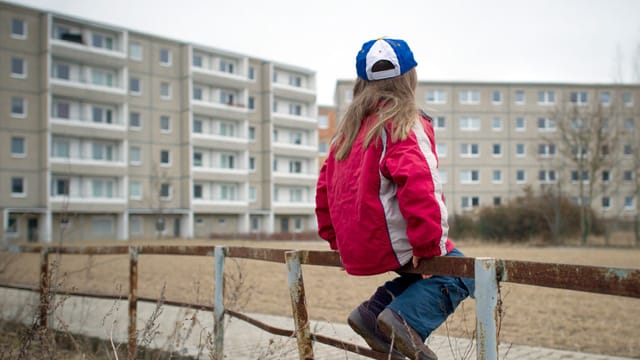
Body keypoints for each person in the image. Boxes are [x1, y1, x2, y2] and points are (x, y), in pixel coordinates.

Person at [315, 37, 475, 360]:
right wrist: (429, 247)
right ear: (409, 78)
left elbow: (323, 191)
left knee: (423, 275)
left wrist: (336, 241)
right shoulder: (402, 122)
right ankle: (405, 322)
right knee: (462, 271)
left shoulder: (346, 133)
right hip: (393, 242)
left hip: (358, 248)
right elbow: (421, 185)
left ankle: (374, 314)